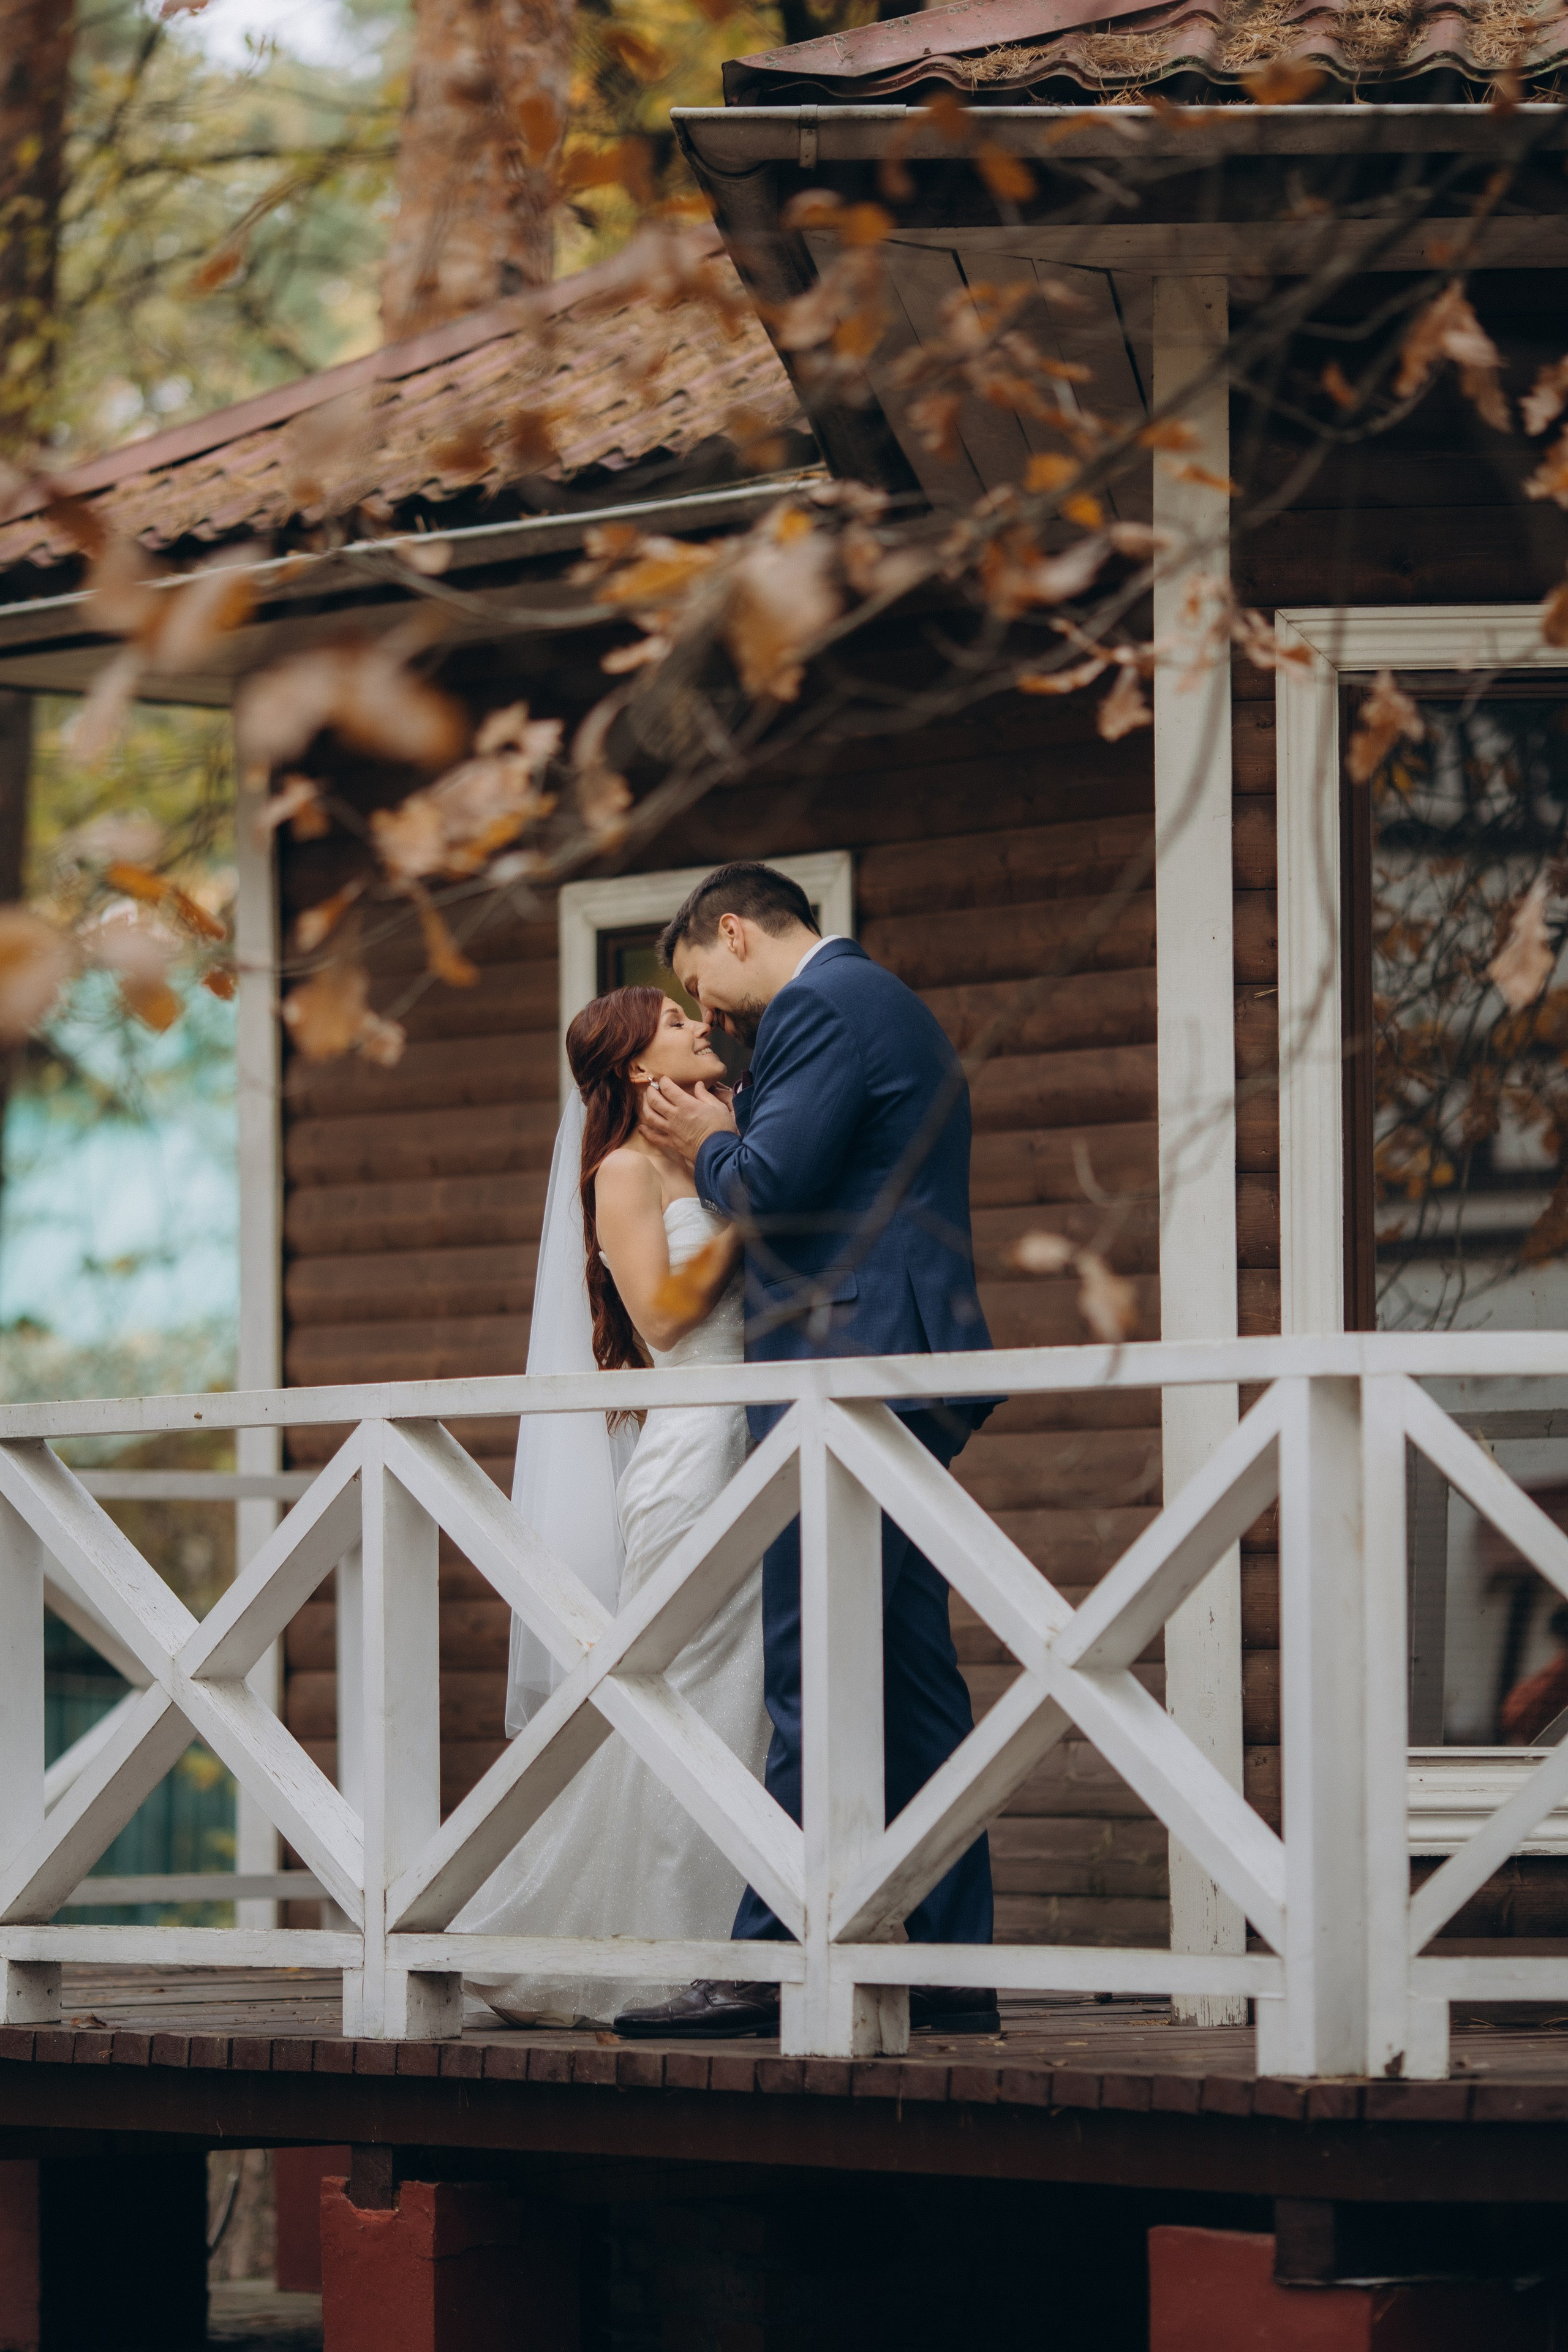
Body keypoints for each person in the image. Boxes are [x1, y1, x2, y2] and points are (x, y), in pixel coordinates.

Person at [614, 861, 998, 2042]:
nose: (716, 1017)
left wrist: (718, 1139)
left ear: (734, 932)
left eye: (701, 984)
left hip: (844, 1368)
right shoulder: (881, 1000)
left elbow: (772, 1188)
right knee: (907, 1670)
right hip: (899, 1360)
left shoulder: (823, 1006)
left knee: (811, 1660)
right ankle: (948, 1962)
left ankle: (770, 1957)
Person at [459, 984, 769, 2027]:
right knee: (692, 1693)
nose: (702, 1029)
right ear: (640, 1067)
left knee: (747, 1692)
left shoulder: (722, 1146)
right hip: (693, 1451)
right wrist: (751, 1210)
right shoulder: (625, 1173)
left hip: (759, 1444)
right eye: (681, 1023)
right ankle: (677, 1950)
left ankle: (727, 1934)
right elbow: (667, 1319)